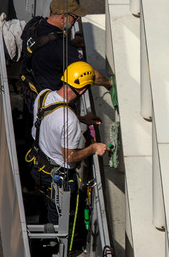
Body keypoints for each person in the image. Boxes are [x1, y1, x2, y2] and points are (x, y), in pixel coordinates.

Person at [28, 61, 109, 227]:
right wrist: (94, 148)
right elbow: (70, 156)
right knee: (60, 222)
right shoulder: (69, 120)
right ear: (83, 89)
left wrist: (82, 119)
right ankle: (52, 241)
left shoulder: (44, 95)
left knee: (47, 206)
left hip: (38, 165)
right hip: (57, 177)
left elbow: (52, 116)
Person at [20, 0, 111, 107]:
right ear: (63, 18)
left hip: (30, 89)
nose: (76, 21)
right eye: (75, 17)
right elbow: (90, 75)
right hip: (47, 102)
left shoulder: (34, 24)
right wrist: (109, 84)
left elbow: (43, 48)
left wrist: (71, 43)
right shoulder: (61, 47)